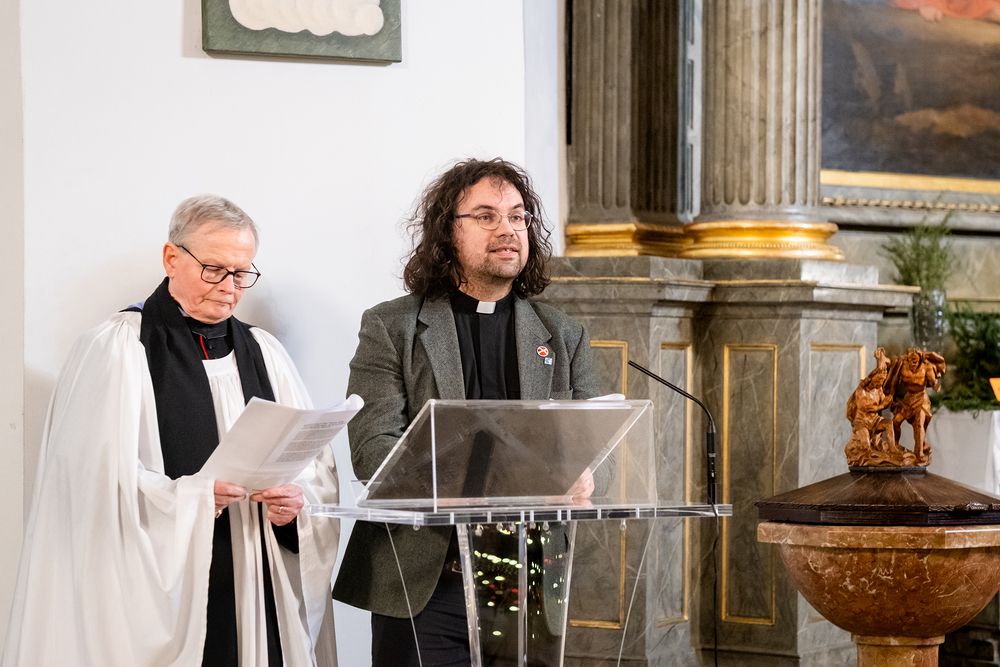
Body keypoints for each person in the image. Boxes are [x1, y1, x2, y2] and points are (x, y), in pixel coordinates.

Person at [2, 195, 339, 667]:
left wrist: (296, 504)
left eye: (241, 273)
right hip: (170, 593)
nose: (229, 288)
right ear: (171, 258)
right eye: (214, 270)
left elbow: (313, 470)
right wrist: (193, 500)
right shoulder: (118, 349)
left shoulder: (266, 353)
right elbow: (93, 489)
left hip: (255, 573)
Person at [332, 158, 599, 666]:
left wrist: (585, 473)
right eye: (486, 216)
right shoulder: (392, 327)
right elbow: (373, 452)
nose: (508, 229)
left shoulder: (564, 335)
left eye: (518, 216)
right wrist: (487, 477)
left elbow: (590, 442)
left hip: (526, 581)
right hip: (426, 584)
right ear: (446, 232)